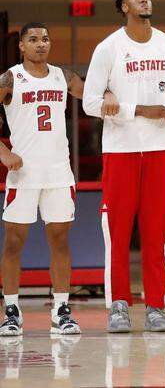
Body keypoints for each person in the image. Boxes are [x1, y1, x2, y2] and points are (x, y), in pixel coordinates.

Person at [82, 0, 165, 333]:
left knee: (157, 231)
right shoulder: (109, 47)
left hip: (160, 148)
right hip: (121, 150)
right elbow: (91, 102)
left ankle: (156, 306)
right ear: (124, 6)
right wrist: (140, 109)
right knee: (118, 231)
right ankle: (119, 305)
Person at [0, 22, 86, 336]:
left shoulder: (63, 76)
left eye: (45, 39)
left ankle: (61, 309)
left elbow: (92, 97)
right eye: (33, 39)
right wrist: (4, 153)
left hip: (58, 173)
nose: (41, 44)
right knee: (13, 242)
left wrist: (111, 94)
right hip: (22, 175)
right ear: (21, 45)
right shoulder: (10, 77)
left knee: (60, 241)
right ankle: (11, 310)